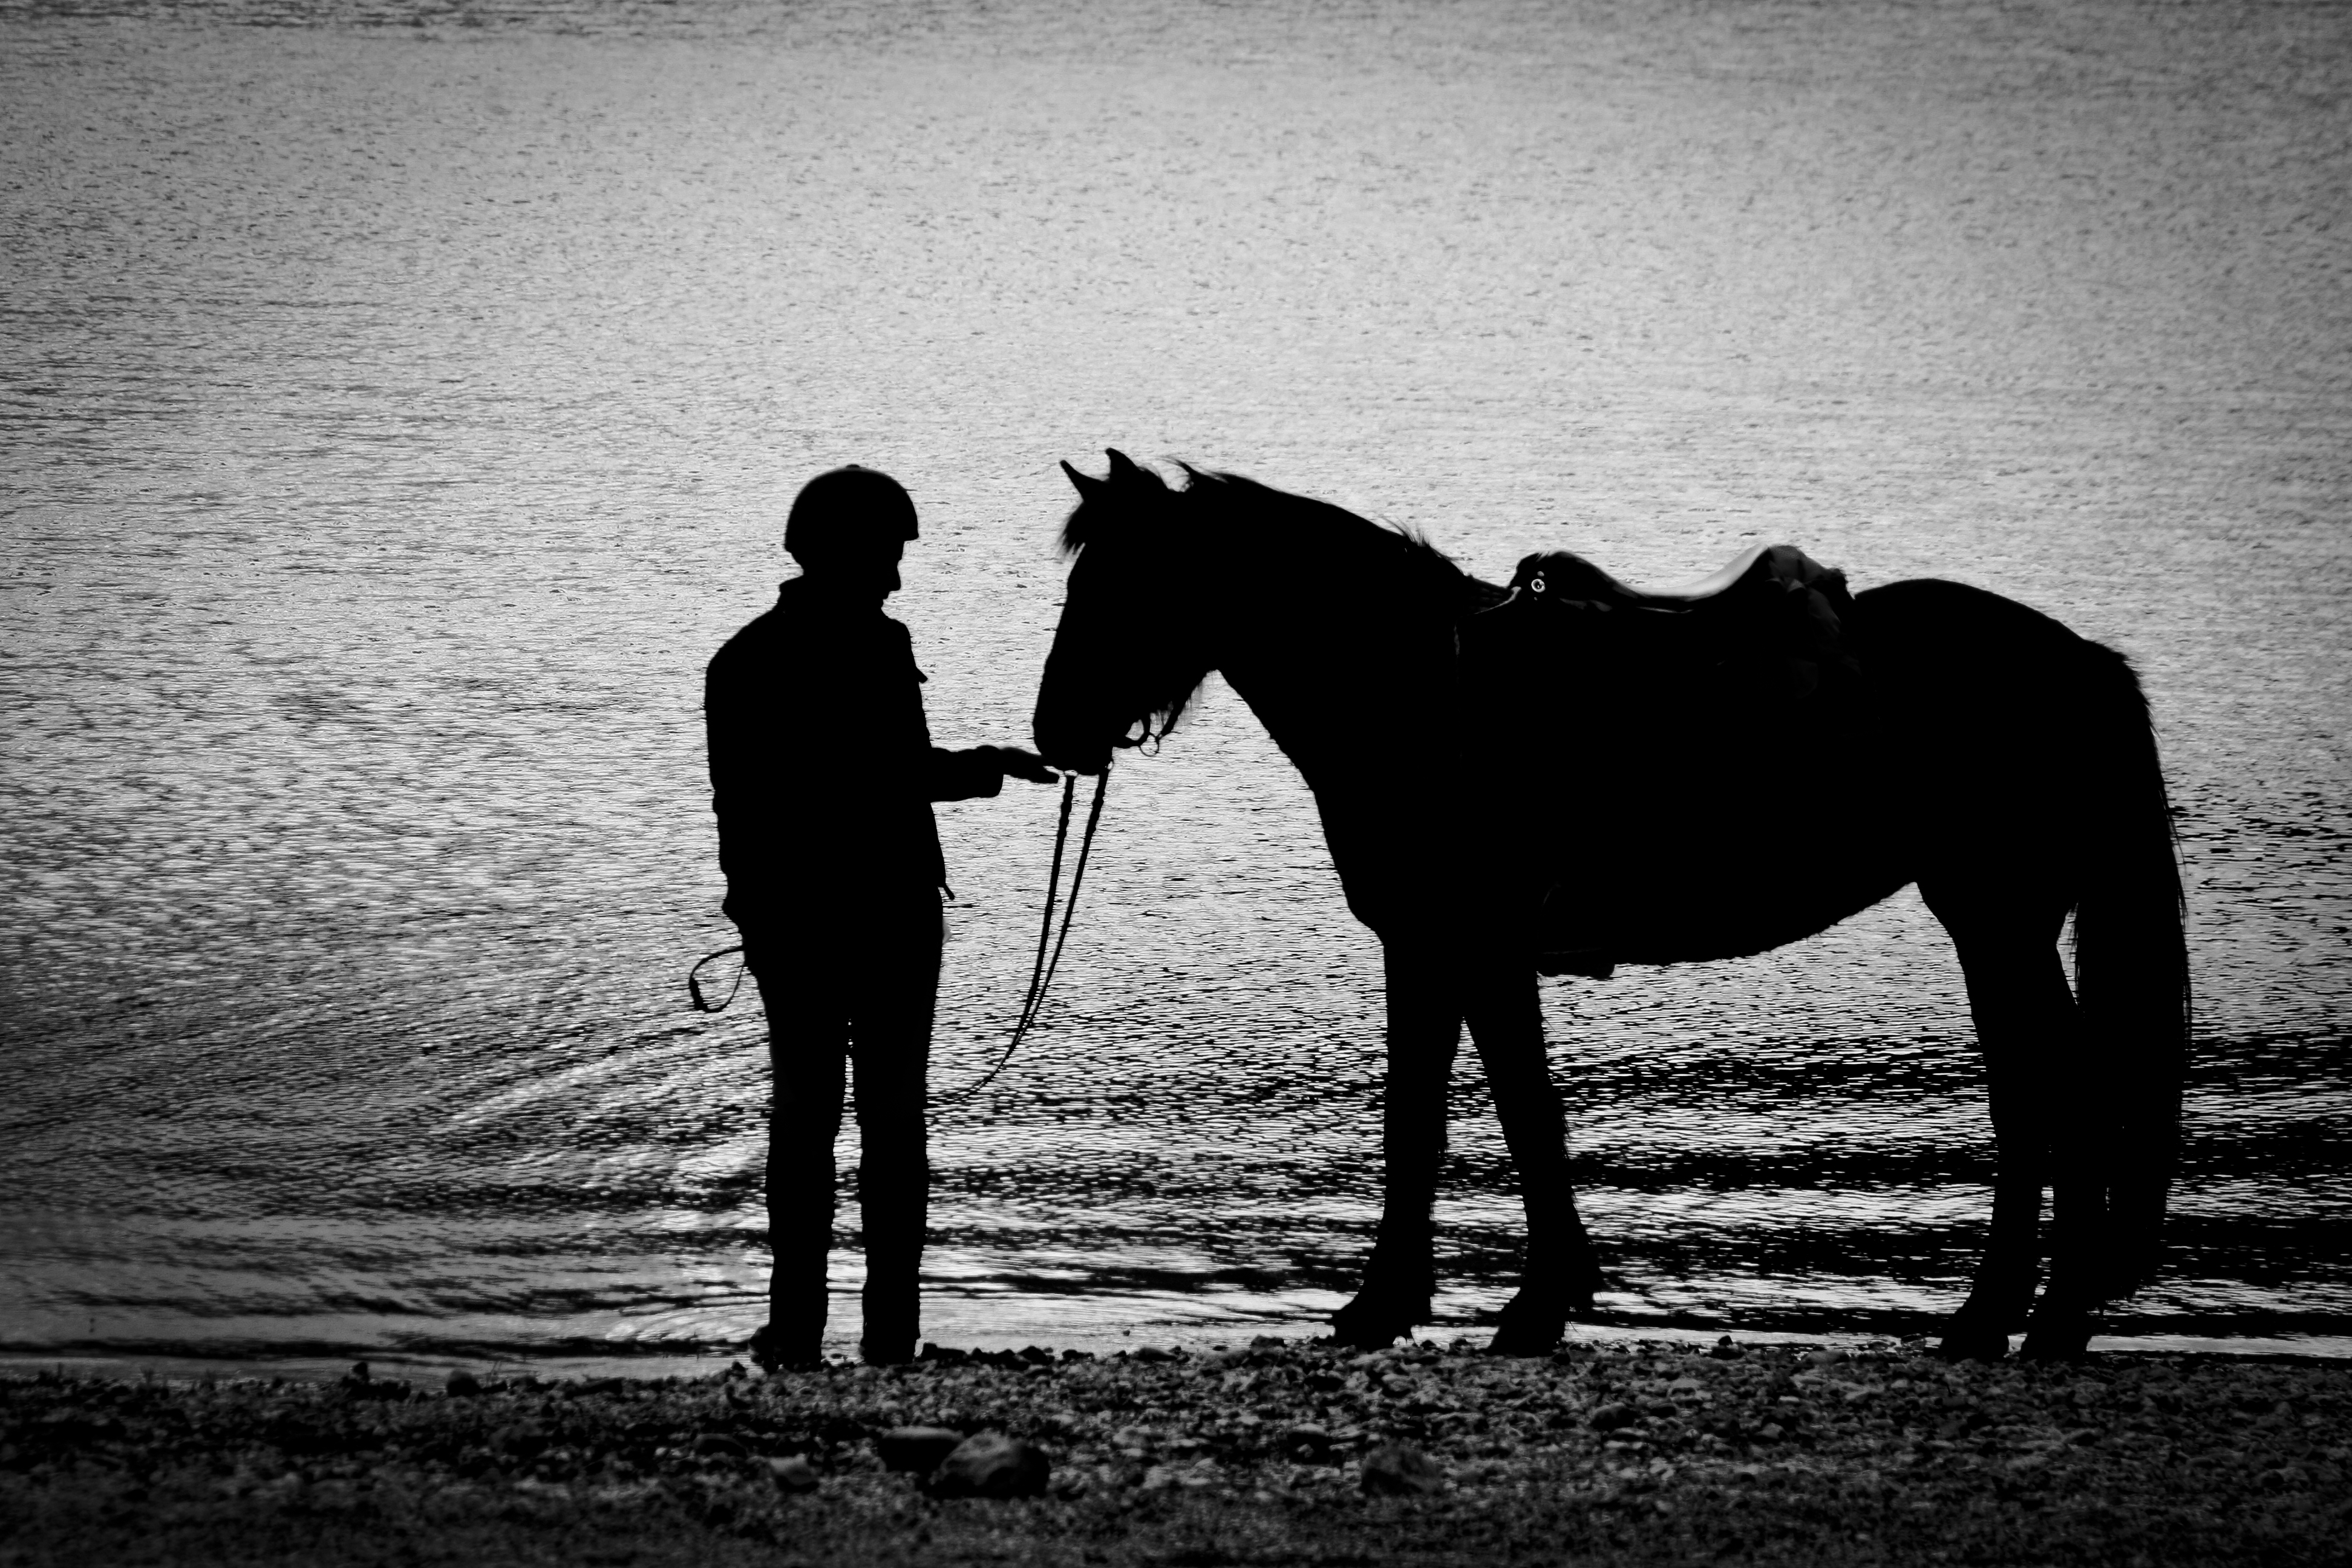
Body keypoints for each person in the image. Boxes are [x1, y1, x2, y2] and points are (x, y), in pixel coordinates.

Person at [704, 466, 1056, 1368]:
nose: (898, 577)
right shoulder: (878, 647)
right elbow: (888, 774)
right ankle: (891, 1339)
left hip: (792, 929)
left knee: (804, 1118)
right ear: (850, 554)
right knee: (894, 1123)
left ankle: (794, 1335)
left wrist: (756, 918)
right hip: (892, 919)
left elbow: (742, 818)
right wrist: (986, 768)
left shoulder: (739, 662)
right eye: (890, 555)